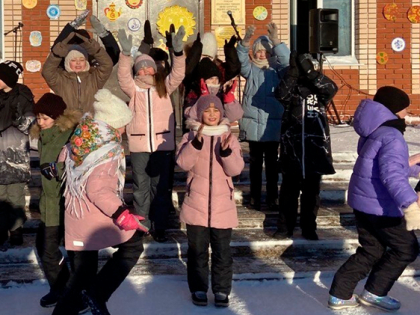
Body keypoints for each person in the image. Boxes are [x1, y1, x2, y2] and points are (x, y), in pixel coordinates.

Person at [52, 89, 148, 315]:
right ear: (113, 123)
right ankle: (95, 295)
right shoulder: (107, 148)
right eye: (123, 124)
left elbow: (62, 158)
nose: (125, 129)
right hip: (94, 216)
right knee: (132, 246)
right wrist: (122, 213)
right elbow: (97, 189)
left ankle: (88, 299)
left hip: (77, 215)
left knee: (82, 274)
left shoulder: (84, 136)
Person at [328, 86, 420, 311]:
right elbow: (391, 175)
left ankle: (340, 294)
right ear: (393, 109)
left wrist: (414, 166)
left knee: (372, 249)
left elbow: (381, 167)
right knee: (406, 249)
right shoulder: (392, 135)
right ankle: (375, 292)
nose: (407, 115)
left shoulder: (375, 130)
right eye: (404, 110)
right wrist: (410, 205)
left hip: (363, 203)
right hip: (381, 207)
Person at [117, 26, 186, 243]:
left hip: (162, 146)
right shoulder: (133, 90)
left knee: (160, 188)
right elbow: (122, 76)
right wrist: (126, 55)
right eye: (141, 69)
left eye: (149, 68)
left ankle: (160, 225)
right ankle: (142, 224)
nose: (145, 71)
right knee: (140, 188)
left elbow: (178, 73)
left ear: (155, 70)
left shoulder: (164, 87)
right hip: (138, 147)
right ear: (136, 72)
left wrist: (177, 53)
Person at [176, 94, 244, 307]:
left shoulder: (229, 137)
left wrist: (226, 153)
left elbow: (236, 169)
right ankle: (198, 287)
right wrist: (195, 144)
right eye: (207, 110)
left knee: (222, 251)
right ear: (200, 113)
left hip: (222, 204)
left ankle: (222, 290)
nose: (212, 114)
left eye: (216, 110)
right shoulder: (190, 136)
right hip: (196, 201)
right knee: (197, 251)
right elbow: (183, 163)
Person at [273, 52, 338, 240]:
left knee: (311, 194)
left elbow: (331, 88)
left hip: (315, 149)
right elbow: (280, 94)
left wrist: (310, 73)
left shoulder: (319, 88)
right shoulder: (291, 87)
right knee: (288, 192)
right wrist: (292, 73)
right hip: (292, 149)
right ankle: (285, 227)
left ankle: (309, 227)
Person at [29, 93, 81, 308]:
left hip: (61, 203)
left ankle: (68, 292)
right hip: (49, 202)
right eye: (38, 118)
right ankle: (62, 288)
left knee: (48, 249)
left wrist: (54, 171)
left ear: (57, 117)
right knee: (44, 247)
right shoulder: (46, 136)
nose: (40, 123)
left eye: (45, 118)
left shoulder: (65, 136)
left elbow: (71, 166)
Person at [236, 23, 290, 210]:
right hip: (253, 126)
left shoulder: (278, 71)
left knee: (273, 166)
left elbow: (287, 61)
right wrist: (244, 42)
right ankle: (255, 197)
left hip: (272, 125)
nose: (262, 55)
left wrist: (276, 41)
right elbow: (241, 61)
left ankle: (273, 198)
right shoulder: (250, 70)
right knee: (256, 165)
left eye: (266, 52)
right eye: (259, 51)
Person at [0, 60, 34, 246]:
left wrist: (18, 119)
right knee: (0, 197)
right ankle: (1, 229)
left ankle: (16, 230)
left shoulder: (23, 95)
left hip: (15, 153)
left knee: (15, 195)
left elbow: (29, 121)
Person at [42, 32, 113, 114]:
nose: (78, 63)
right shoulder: (60, 80)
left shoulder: (94, 77)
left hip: (91, 122)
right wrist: (58, 53)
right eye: (73, 60)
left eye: (82, 60)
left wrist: (93, 48)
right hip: (67, 123)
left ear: (86, 61)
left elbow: (107, 65)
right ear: (67, 62)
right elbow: (47, 71)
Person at [184, 57, 243, 123]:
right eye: (211, 78)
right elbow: (190, 116)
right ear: (202, 81)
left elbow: (234, 117)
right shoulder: (194, 95)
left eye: (216, 78)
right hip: (200, 131)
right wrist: (204, 98)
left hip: (220, 131)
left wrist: (229, 100)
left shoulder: (220, 95)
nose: (214, 81)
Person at [52, 11, 120, 66]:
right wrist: (72, 26)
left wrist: (104, 34)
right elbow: (55, 51)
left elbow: (113, 56)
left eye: (83, 43)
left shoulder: (93, 62)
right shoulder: (66, 62)